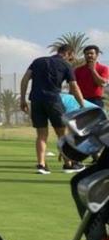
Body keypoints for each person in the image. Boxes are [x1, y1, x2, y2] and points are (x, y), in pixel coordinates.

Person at [20, 44, 86, 175]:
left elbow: (25, 79)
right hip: (53, 101)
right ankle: (68, 164)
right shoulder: (66, 65)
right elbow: (74, 87)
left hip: (36, 101)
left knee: (41, 135)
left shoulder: (37, 61)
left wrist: (22, 99)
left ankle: (41, 165)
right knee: (62, 134)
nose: (72, 59)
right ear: (69, 53)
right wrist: (82, 105)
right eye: (72, 56)